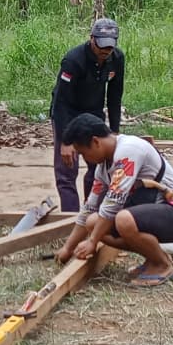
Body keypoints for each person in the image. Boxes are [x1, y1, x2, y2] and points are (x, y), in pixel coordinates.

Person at [53, 115, 173, 288]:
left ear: (96, 142)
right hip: (155, 211)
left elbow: (113, 203)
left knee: (123, 219)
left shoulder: (129, 150)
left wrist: (92, 242)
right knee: (93, 222)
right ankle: (153, 258)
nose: (84, 158)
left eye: (83, 153)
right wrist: (68, 248)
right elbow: (89, 208)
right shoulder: (103, 167)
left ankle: (163, 264)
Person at [50, 17, 125, 212]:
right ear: (91, 38)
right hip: (69, 112)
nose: (105, 52)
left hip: (93, 114)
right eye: (101, 46)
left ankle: (92, 213)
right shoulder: (73, 60)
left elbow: (115, 96)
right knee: (67, 170)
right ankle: (69, 220)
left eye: (109, 47)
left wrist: (114, 130)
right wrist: (66, 141)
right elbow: (60, 102)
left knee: (99, 167)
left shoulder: (117, 58)